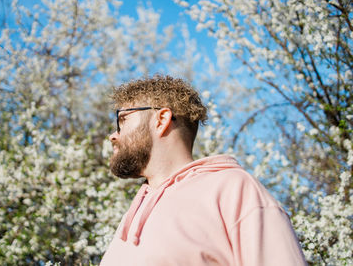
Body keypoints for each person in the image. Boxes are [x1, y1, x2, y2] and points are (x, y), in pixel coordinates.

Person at [100, 75, 306, 266]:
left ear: (161, 120)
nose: (113, 135)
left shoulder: (234, 189)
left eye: (123, 120)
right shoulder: (131, 218)